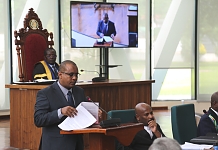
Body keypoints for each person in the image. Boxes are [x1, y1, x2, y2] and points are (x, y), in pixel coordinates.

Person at [34, 60, 101, 150]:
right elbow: (39, 120)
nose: (74, 78)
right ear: (60, 75)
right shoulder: (45, 93)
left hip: (77, 144)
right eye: (71, 75)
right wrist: (60, 112)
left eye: (76, 75)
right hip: (55, 145)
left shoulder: (79, 91)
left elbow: (82, 115)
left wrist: (94, 115)